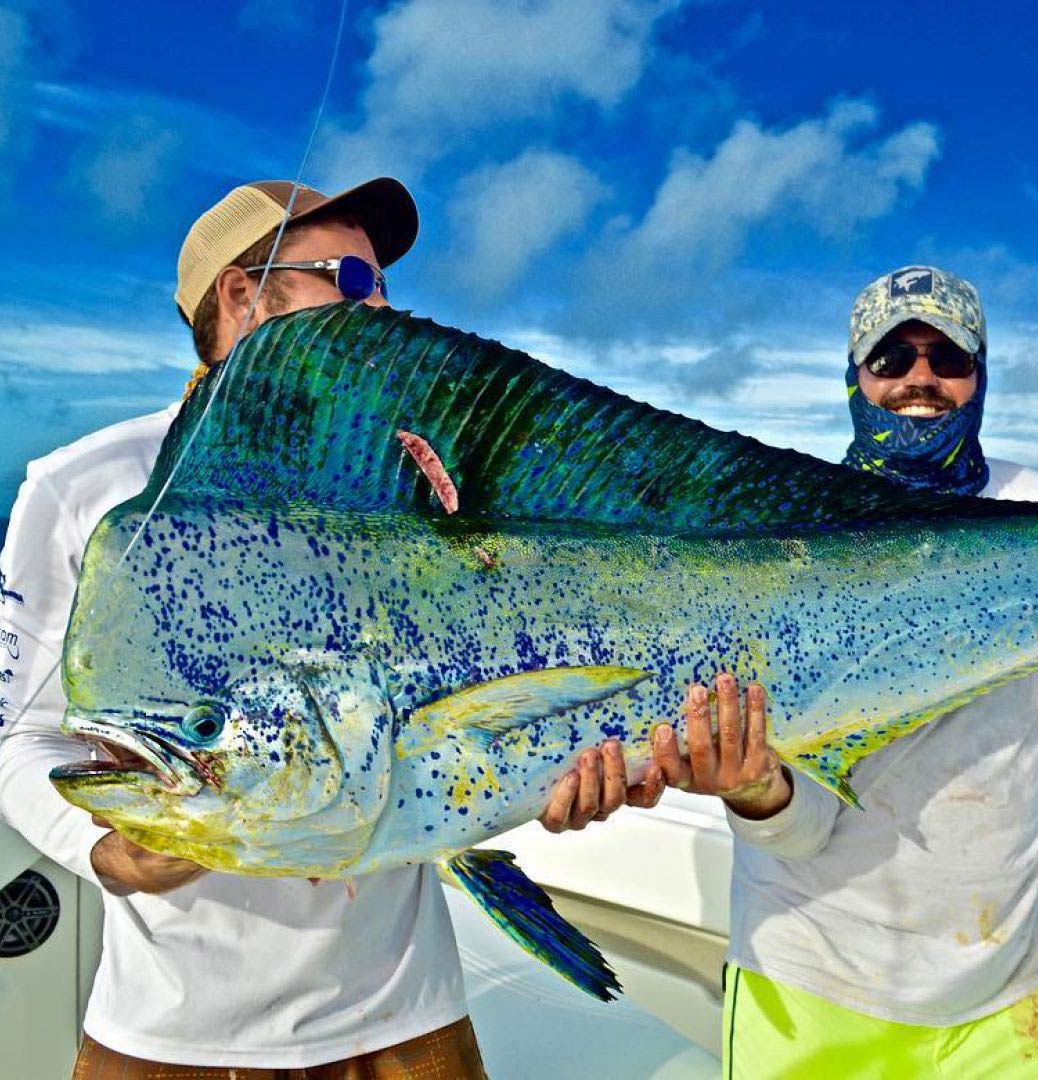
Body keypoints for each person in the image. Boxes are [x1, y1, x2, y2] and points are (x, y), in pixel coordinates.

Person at [0, 177, 634, 1078]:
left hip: (408, 1021)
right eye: (348, 276)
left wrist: (562, 774)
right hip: (172, 1034)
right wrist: (107, 854)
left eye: (384, 285)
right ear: (242, 293)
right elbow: (21, 734)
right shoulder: (85, 485)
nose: (381, 306)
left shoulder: (423, 483)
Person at [641, 266, 1038, 1077]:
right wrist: (752, 791)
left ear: (981, 375)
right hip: (807, 990)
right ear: (854, 379)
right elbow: (799, 834)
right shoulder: (786, 530)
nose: (920, 380)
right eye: (892, 358)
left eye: (947, 358)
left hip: (1000, 1003)